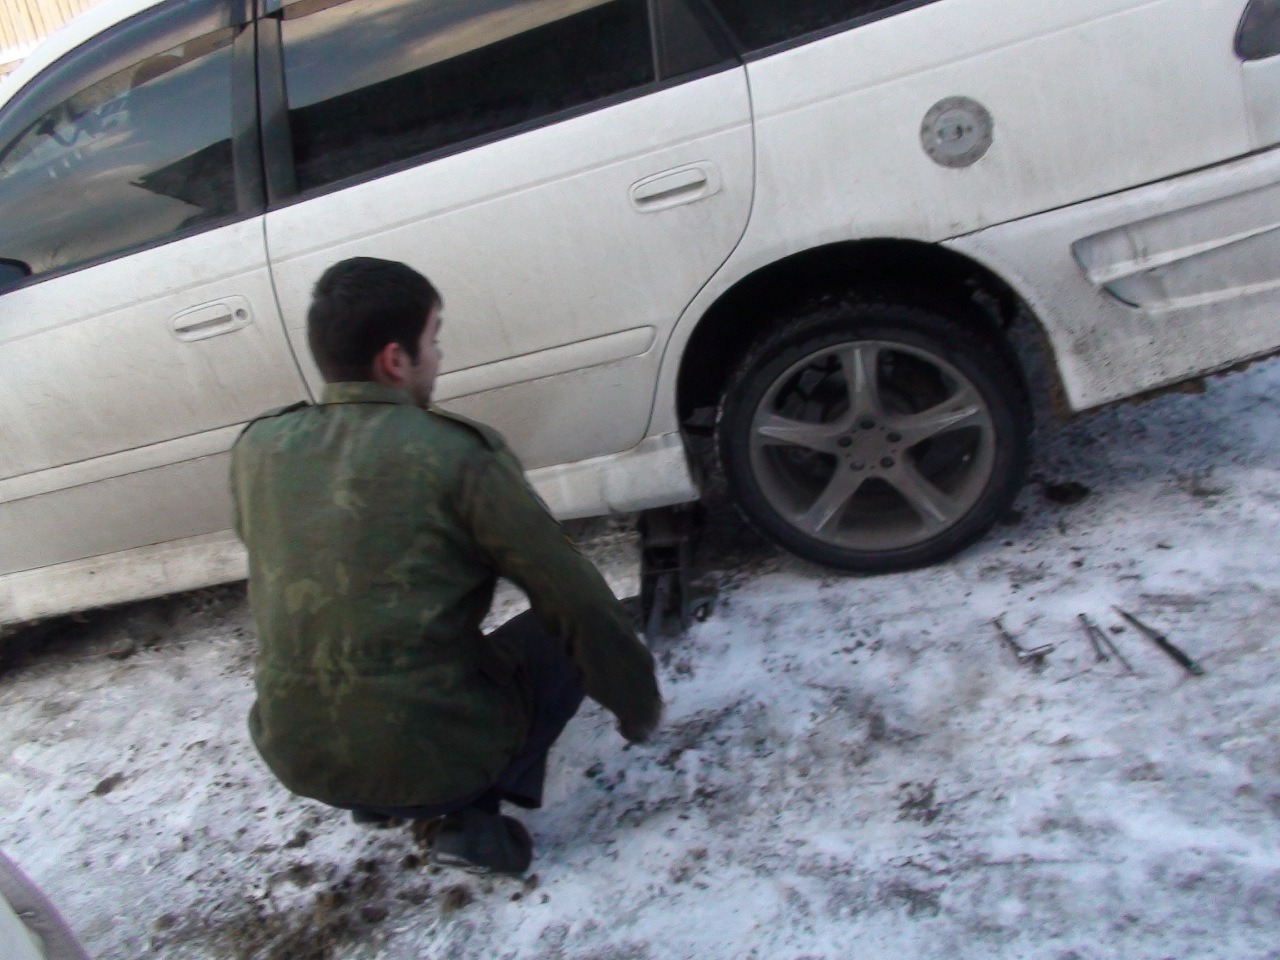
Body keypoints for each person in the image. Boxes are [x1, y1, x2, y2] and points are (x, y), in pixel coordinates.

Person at [230, 257, 662, 874]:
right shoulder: (456, 456)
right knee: (559, 630)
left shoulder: (258, 447)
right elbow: (577, 601)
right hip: (434, 755)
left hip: (298, 753)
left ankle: (373, 798)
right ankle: (471, 821)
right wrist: (636, 703)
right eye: (433, 341)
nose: (439, 356)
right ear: (394, 361)